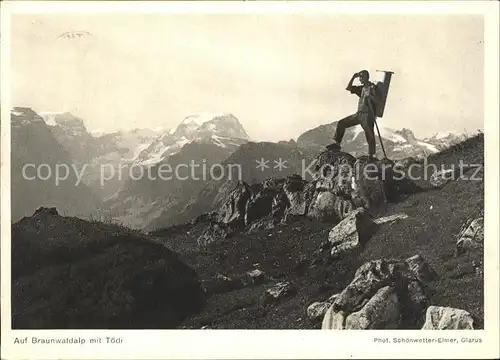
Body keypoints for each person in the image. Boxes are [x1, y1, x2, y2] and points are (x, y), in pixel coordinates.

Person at [326, 70, 379, 161]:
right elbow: (348, 88)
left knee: (369, 134)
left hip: (367, 115)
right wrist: (353, 77)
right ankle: (337, 144)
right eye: (359, 78)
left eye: (361, 78)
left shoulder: (372, 87)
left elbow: (377, 100)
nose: (360, 80)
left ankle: (371, 156)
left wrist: (369, 96)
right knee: (342, 123)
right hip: (359, 114)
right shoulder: (362, 88)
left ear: (366, 77)